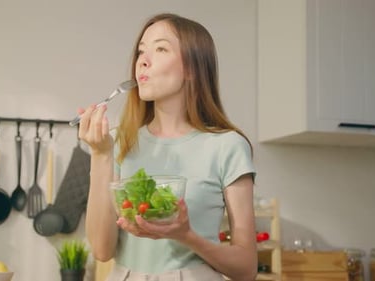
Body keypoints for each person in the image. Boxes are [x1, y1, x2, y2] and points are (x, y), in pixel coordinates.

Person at [78, 13, 257, 281]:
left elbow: (246, 268)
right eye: (141, 51)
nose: (143, 61)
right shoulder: (117, 142)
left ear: (192, 68)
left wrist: (186, 236)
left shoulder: (228, 146)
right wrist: (100, 154)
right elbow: (102, 251)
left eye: (160, 48)